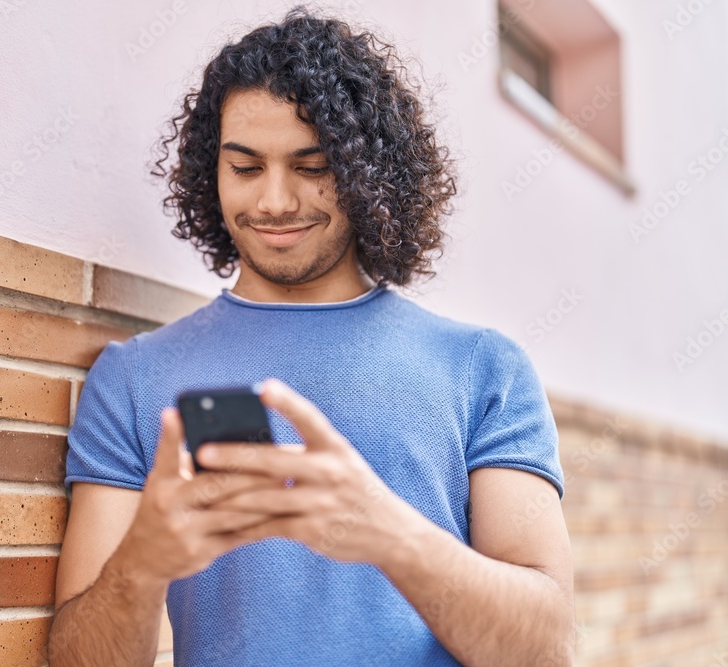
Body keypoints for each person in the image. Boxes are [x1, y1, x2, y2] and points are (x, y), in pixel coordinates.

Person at [48, 7, 574, 666]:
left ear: (365, 172)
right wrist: (142, 564)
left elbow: (547, 648)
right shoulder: (132, 378)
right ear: (210, 175)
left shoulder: (483, 369)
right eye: (245, 167)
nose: (273, 201)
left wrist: (389, 532)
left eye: (311, 165)